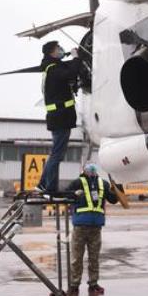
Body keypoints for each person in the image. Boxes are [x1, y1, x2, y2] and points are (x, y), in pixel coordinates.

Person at [64, 163, 118, 296]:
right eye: (89, 170)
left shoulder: (103, 184)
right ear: (84, 171)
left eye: (93, 170)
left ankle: (93, 284)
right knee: (77, 258)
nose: (92, 171)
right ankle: (74, 285)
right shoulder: (77, 182)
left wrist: (118, 187)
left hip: (95, 226)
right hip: (81, 226)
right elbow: (65, 194)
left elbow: (113, 200)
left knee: (94, 258)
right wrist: (74, 194)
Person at [36, 40, 82, 194]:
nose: (61, 50)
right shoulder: (53, 69)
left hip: (61, 117)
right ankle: (47, 187)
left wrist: (76, 58)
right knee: (57, 155)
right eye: (59, 48)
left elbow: (68, 70)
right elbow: (70, 72)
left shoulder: (53, 67)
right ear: (52, 52)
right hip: (60, 117)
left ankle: (44, 185)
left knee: (56, 154)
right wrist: (76, 58)